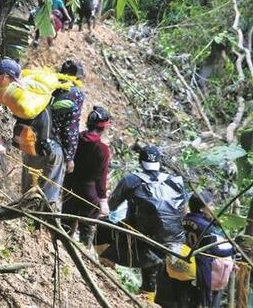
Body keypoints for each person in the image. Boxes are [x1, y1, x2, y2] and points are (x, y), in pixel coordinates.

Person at [104, 144, 189, 300]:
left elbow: (112, 205)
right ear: (159, 162)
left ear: (140, 161)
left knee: (103, 230)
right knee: (152, 275)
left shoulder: (131, 180)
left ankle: (105, 277)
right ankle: (148, 298)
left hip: (141, 235)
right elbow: (184, 211)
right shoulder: (175, 181)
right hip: (174, 238)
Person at [62, 105, 112, 246]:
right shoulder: (102, 149)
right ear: (103, 128)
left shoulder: (76, 138)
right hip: (89, 193)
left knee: (66, 222)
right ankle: (84, 253)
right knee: (87, 227)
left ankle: (62, 248)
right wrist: (103, 200)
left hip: (69, 186)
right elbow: (101, 178)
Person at [54, 59, 87, 176]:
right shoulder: (75, 94)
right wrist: (69, 157)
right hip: (54, 148)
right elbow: (70, 127)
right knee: (47, 192)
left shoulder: (51, 85)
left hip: (34, 140)